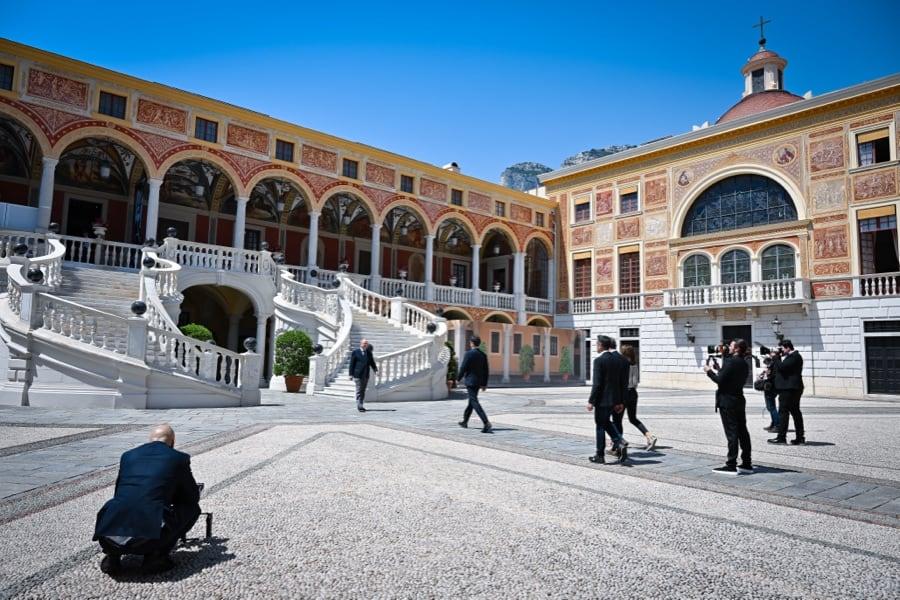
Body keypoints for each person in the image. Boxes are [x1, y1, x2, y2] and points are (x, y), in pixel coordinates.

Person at [93, 424, 201, 575]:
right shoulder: (178, 458)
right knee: (192, 509)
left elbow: (119, 492)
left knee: (122, 503)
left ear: (150, 440)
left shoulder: (128, 455)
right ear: (173, 442)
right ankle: (156, 556)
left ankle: (113, 556)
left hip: (108, 536)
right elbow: (191, 497)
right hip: (149, 540)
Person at [704, 339, 752, 474]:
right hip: (739, 399)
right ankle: (746, 462)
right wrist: (720, 370)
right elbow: (729, 378)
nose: (728, 347)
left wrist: (709, 371)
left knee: (732, 433)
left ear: (736, 348)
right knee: (742, 431)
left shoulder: (731, 362)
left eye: (730, 345)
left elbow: (720, 381)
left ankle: (731, 463)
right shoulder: (744, 363)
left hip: (727, 401)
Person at [587, 335, 629, 464]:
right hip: (614, 400)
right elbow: (620, 382)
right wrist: (620, 401)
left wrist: (591, 401)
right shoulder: (616, 360)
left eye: (596, 344)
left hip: (602, 400)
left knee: (600, 425)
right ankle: (619, 440)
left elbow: (597, 384)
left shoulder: (599, 360)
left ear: (600, 345)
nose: (596, 346)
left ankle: (600, 455)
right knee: (606, 422)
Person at [613, 345, 658, 451]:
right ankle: (649, 436)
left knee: (617, 420)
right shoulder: (634, 365)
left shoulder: (622, 365)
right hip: (633, 393)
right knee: (633, 418)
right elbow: (635, 382)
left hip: (624, 394)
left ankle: (618, 444)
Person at [768, 339, 805, 445]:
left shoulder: (795, 357)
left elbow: (782, 368)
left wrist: (775, 358)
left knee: (784, 413)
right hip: (790, 388)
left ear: (788, 347)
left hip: (789, 389)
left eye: (782, 349)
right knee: (795, 412)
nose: (781, 351)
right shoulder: (791, 357)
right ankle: (800, 437)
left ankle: (782, 438)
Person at [457, 336, 492, 433]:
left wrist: (458, 379)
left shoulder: (468, 354)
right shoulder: (483, 355)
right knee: (471, 402)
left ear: (472, 343)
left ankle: (486, 422)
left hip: (470, 382)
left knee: (474, 402)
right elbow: (486, 371)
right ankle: (465, 421)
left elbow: (463, 367)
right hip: (478, 382)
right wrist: (484, 384)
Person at [349, 338, 378, 412]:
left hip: (365, 374)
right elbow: (352, 364)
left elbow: (372, 362)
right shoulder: (355, 352)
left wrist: (375, 370)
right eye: (364, 343)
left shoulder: (369, 353)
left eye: (366, 343)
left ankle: (361, 403)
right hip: (357, 374)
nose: (365, 345)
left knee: (363, 390)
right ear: (361, 344)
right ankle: (359, 405)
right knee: (359, 390)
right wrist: (350, 374)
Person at [759, 357, 780, 432]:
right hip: (771, 389)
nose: (766, 365)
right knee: (770, 407)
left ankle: (777, 425)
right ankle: (774, 423)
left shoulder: (773, 368)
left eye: (766, 363)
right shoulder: (773, 367)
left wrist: (766, 374)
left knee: (771, 407)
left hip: (771, 389)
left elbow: (771, 378)